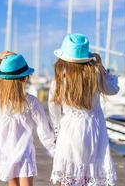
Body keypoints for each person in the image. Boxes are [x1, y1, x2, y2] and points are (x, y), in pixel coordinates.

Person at [48, 34, 119, 186]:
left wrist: (56, 132)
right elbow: (113, 89)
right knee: (90, 174)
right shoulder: (96, 76)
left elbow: (53, 111)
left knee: (67, 172)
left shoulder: (59, 82)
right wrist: (100, 66)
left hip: (69, 129)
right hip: (94, 129)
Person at [0, 51, 55, 186]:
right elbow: (43, 129)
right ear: (25, 78)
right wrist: (54, 149)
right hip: (24, 152)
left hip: (4, 149)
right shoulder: (31, 102)